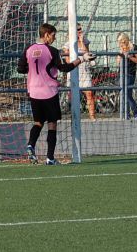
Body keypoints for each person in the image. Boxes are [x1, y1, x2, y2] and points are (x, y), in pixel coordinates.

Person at [18, 22, 93, 165]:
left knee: (38, 122)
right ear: (46, 35)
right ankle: (50, 158)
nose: (54, 38)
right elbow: (64, 68)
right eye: (53, 35)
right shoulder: (52, 51)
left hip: (33, 92)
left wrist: (34, 71)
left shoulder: (28, 49)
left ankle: (30, 145)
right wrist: (82, 59)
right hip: (49, 92)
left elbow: (21, 69)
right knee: (52, 124)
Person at [74, 26, 97, 121]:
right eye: (78, 29)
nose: (80, 31)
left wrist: (82, 41)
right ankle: (75, 116)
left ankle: (92, 116)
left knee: (89, 93)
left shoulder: (85, 41)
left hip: (85, 70)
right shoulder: (70, 43)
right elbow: (67, 59)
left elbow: (88, 54)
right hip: (75, 70)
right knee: (75, 94)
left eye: (81, 29)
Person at [116, 32, 137, 119]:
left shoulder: (134, 47)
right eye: (119, 42)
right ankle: (126, 114)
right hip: (122, 73)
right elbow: (118, 61)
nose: (120, 44)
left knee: (128, 94)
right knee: (123, 94)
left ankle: (136, 113)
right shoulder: (121, 48)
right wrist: (121, 54)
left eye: (122, 42)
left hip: (130, 73)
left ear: (125, 40)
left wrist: (129, 56)